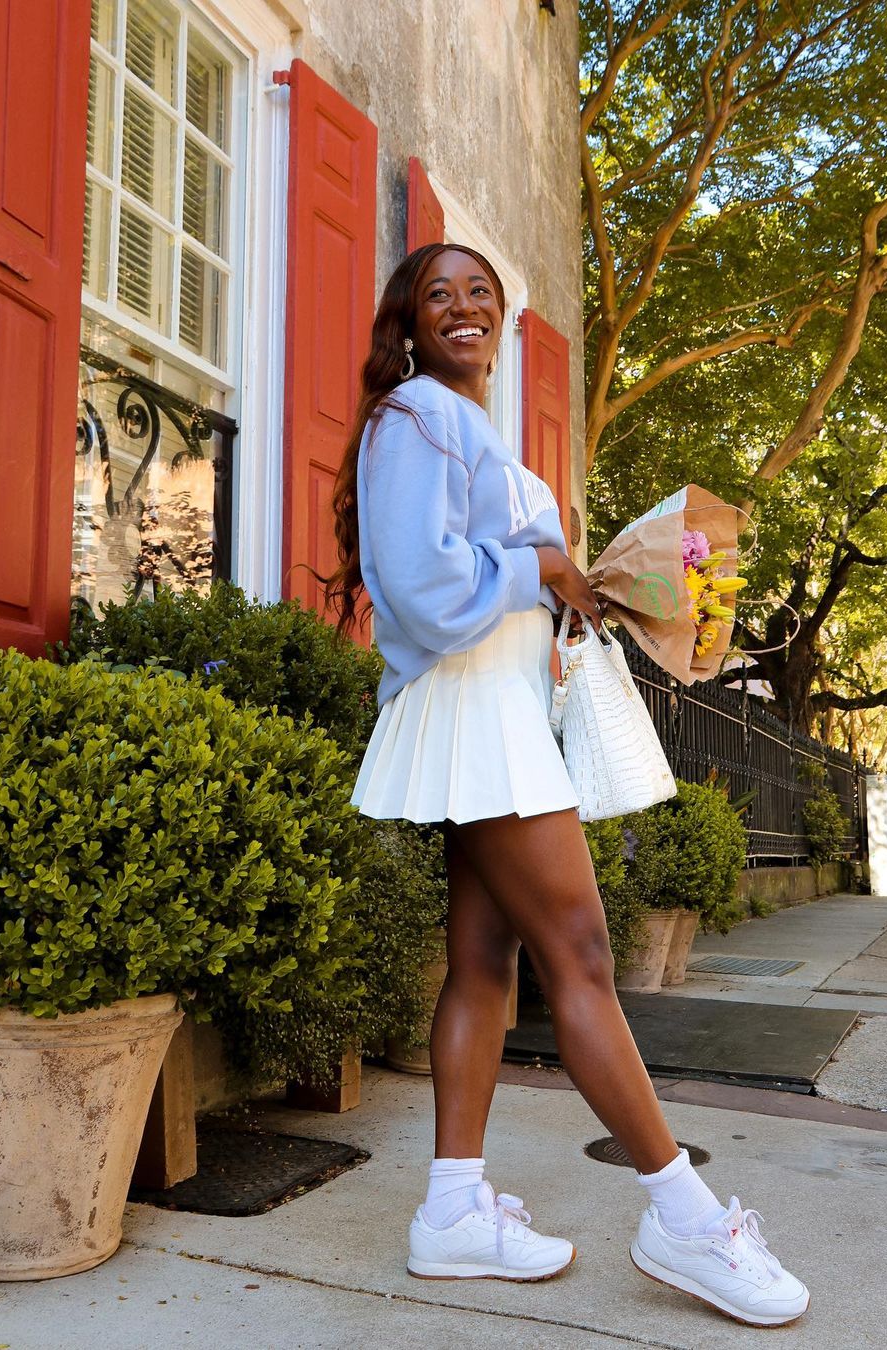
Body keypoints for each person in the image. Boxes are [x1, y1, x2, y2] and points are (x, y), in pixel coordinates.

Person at [326, 243, 809, 1327]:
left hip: (501, 710)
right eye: (437, 293)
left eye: (480, 292)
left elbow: (489, 578)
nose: (462, 307)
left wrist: (582, 591)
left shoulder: (471, 428)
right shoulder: (413, 416)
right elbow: (419, 585)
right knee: (583, 953)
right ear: (408, 321)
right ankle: (684, 1216)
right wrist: (535, 568)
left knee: (487, 959)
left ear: (502, 318)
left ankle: (453, 1211)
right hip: (471, 716)